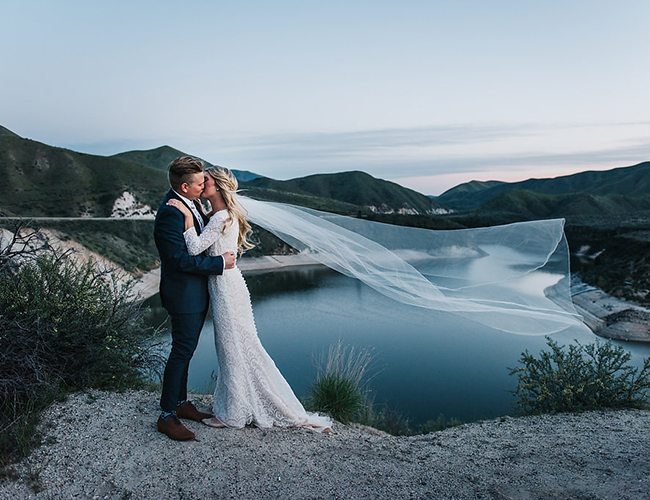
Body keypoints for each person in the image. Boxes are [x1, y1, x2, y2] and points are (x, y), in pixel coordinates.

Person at [166, 166, 332, 432]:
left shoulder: (220, 217)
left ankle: (232, 414)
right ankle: (240, 404)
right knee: (238, 347)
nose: (200, 183)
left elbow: (194, 248)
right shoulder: (220, 214)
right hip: (228, 287)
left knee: (231, 349)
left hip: (225, 290)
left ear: (217, 186)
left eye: (205, 180)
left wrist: (186, 218)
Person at [153, 156, 237, 441]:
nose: (205, 185)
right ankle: (167, 416)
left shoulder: (192, 203)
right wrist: (218, 265)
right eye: (201, 182)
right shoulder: (170, 213)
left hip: (197, 293)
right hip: (184, 295)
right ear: (186, 186)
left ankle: (181, 403)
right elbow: (177, 260)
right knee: (181, 352)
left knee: (185, 351)